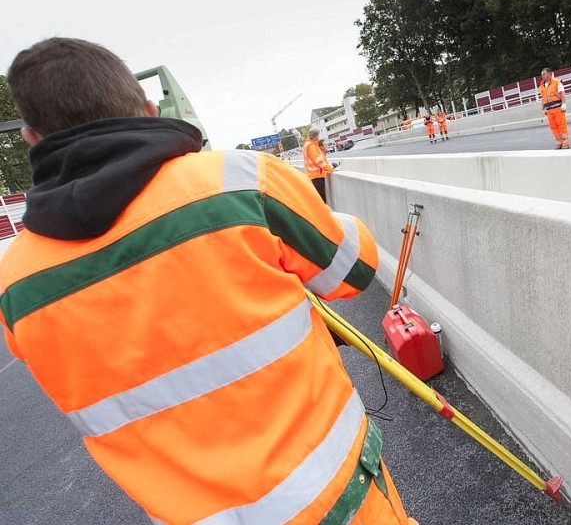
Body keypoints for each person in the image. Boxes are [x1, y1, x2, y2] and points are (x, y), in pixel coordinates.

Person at [0, 38, 414, 525]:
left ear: (31, 138)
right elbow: (354, 270)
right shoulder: (236, 182)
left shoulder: (16, 284)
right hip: (336, 499)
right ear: (150, 112)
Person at [303, 128, 338, 203]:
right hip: (316, 176)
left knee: (319, 199)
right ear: (316, 136)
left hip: (314, 176)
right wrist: (330, 169)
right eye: (318, 135)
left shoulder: (308, 145)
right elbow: (318, 161)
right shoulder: (311, 146)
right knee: (321, 200)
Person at [538, 68, 570, 149]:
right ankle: (559, 143)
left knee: (561, 126)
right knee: (553, 127)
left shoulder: (556, 82)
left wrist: (564, 104)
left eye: (544, 74)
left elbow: (562, 94)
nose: (542, 76)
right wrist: (543, 109)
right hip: (549, 110)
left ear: (549, 74)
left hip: (557, 108)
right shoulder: (541, 86)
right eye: (542, 74)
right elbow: (543, 98)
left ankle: (565, 143)